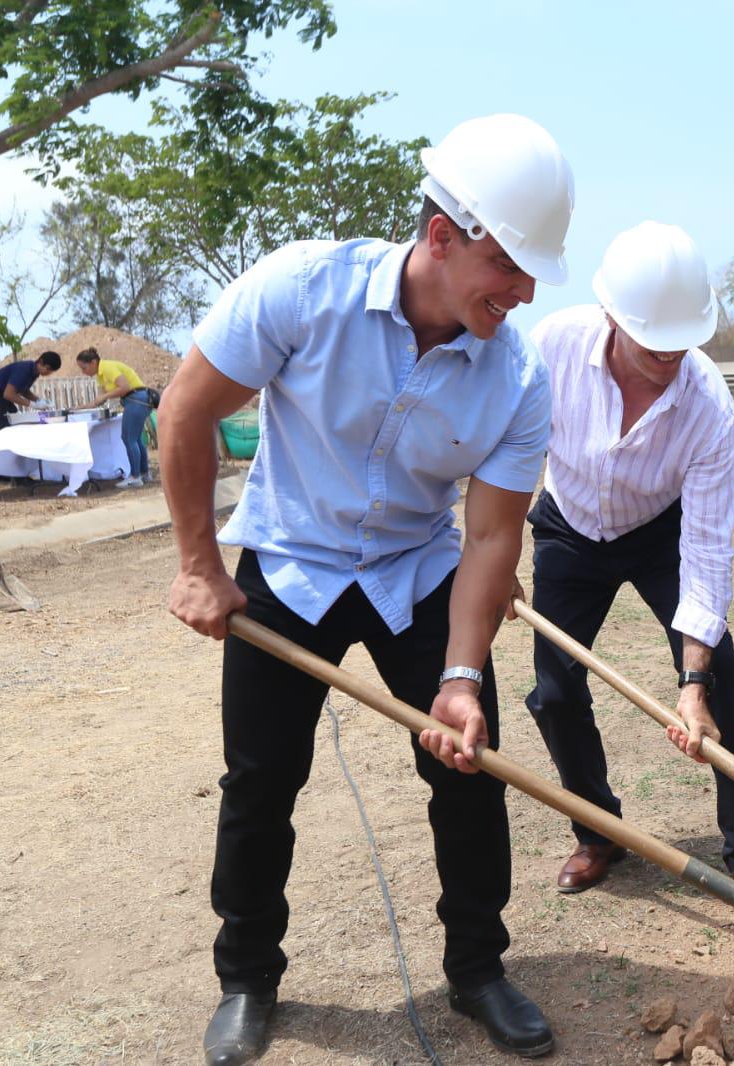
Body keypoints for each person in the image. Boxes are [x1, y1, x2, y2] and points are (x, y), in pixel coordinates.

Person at [158, 113, 575, 1065]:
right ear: (442, 235)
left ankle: (478, 970)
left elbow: (492, 533)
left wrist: (461, 676)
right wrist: (198, 566)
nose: (522, 291)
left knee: (468, 767)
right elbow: (184, 411)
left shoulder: (517, 375)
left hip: (415, 570)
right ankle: (247, 977)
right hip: (290, 563)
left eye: (533, 273)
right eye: (508, 265)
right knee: (261, 782)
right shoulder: (305, 288)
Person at [524, 222, 734, 916]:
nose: (670, 358)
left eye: (683, 344)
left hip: (659, 533)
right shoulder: (551, 345)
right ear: (612, 317)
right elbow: (505, 448)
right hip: (569, 524)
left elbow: (705, 548)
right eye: (654, 346)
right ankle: (598, 831)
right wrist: (489, 558)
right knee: (553, 692)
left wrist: (691, 682)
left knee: (725, 686)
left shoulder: (706, 406)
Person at [74, 347, 153, 487]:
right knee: (135, 438)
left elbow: (125, 387)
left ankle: (135, 476)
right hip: (135, 400)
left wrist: (105, 396)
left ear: (93, 362)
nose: (83, 372)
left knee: (129, 438)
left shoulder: (108, 368)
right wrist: (80, 408)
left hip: (137, 399)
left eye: (84, 368)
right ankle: (144, 473)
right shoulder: (99, 375)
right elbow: (100, 399)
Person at [0, 351, 60, 432]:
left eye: (51, 371)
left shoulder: (34, 372)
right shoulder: (24, 369)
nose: (49, 373)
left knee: (17, 425)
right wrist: (33, 405)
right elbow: (8, 394)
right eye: (48, 369)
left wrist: (39, 400)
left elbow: (23, 391)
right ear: (41, 362)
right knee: (4, 432)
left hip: (3, 399)